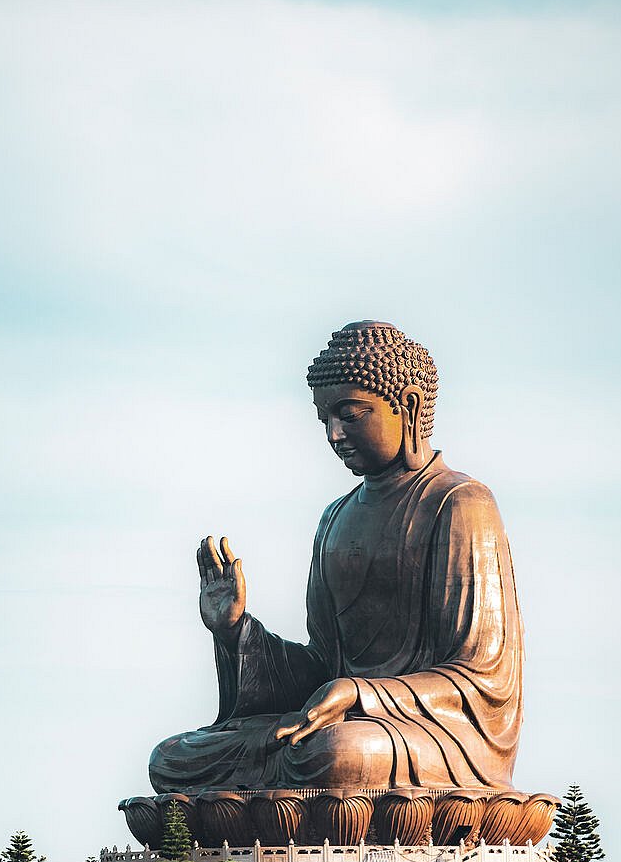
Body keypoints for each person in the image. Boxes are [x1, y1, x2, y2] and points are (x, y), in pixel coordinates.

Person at [148, 321, 523, 798]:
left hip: (438, 734)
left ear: (406, 405)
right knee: (173, 759)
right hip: (341, 722)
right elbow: (322, 667)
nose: (334, 433)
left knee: (340, 755)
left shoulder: (459, 503)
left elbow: (480, 679)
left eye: (351, 414)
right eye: (324, 418)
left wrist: (361, 693)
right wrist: (237, 631)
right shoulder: (335, 517)